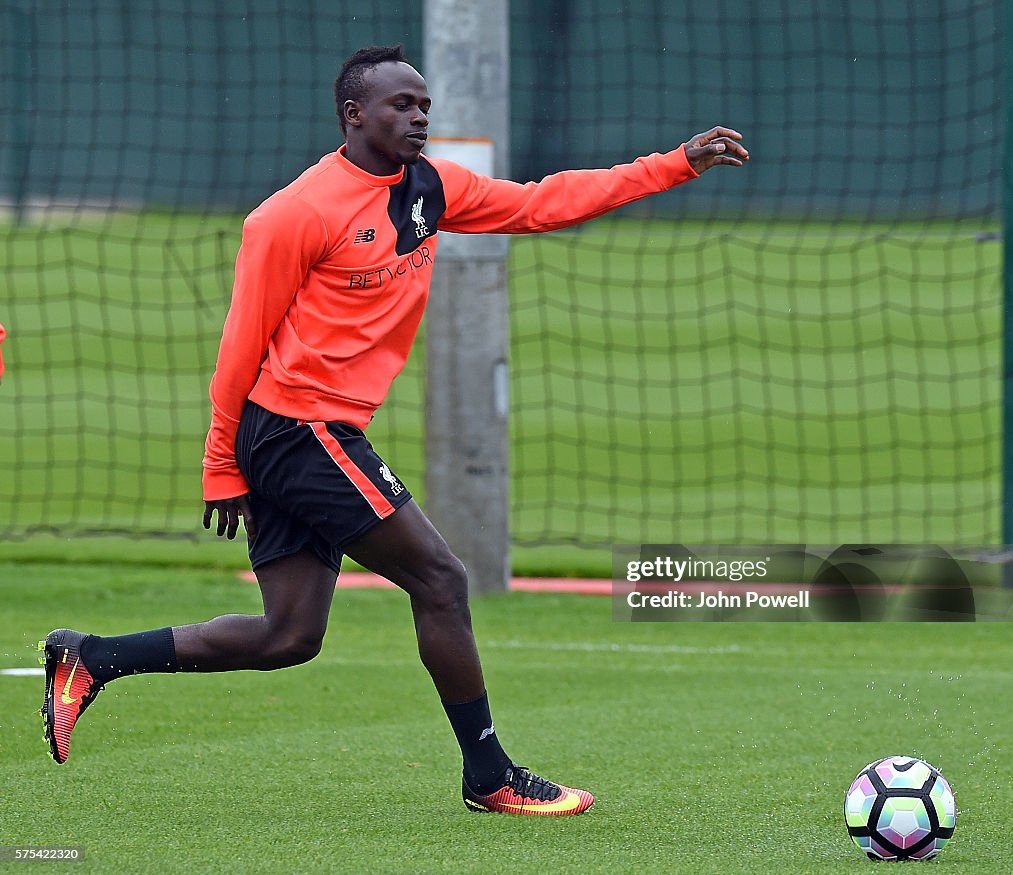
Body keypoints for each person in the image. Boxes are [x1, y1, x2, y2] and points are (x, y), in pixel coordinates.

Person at [39, 44, 748, 815]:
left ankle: (91, 657)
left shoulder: (430, 188)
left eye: (423, 108)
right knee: (440, 579)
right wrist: (221, 463)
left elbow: (545, 202)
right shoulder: (294, 213)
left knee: (289, 636)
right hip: (296, 428)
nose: (417, 118)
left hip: (312, 432)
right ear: (354, 115)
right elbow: (240, 343)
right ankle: (491, 775)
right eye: (400, 106)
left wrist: (675, 163)